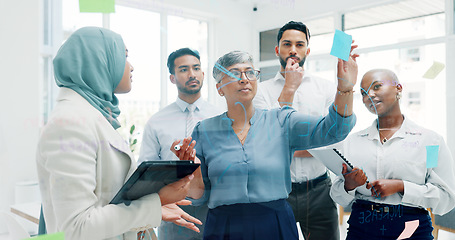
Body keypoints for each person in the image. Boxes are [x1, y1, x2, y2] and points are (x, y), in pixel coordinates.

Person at [172, 49, 359, 239]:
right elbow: (199, 196)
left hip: (274, 223)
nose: (244, 79)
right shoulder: (204, 131)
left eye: (250, 72)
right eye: (235, 73)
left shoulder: (282, 121)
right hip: (223, 226)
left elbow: (334, 129)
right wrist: (192, 169)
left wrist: (344, 89)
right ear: (219, 87)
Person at [36, 27, 201, 240]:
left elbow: (109, 195)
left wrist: (157, 196)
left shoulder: (91, 116)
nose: (130, 67)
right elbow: (76, 229)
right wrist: (155, 203)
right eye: (124, 57)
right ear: (100, 62)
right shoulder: (69, 123)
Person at [330, 69, 455, 240]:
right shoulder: (353, 142)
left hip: (411, 228)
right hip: (362, 228)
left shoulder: (430, 142)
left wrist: (401, 186)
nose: (370, 96)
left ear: (399, 88)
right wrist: (348, 186)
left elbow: (445, 198)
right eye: (364, 93)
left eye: (377, 86)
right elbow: (337, 196)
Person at [253, 20, 340, 239]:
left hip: (320, 190)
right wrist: (314, 143)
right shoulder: (260, 92)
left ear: (307, 50)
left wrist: (286, 146)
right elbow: (265, 139)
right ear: (277, 50)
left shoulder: (326, 89)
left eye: (300, 44)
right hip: (277, 190)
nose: (293, 50)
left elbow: (333, 139)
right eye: (287, 44)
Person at [139, 48, 220, 240]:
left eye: (196, 68)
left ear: (202, 73)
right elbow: (145, 170)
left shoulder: (220, 117)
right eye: (183, 69)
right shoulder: (156, 122)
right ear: (172, 78)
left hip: (214, 210)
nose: (191, 74)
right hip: (173, 212)